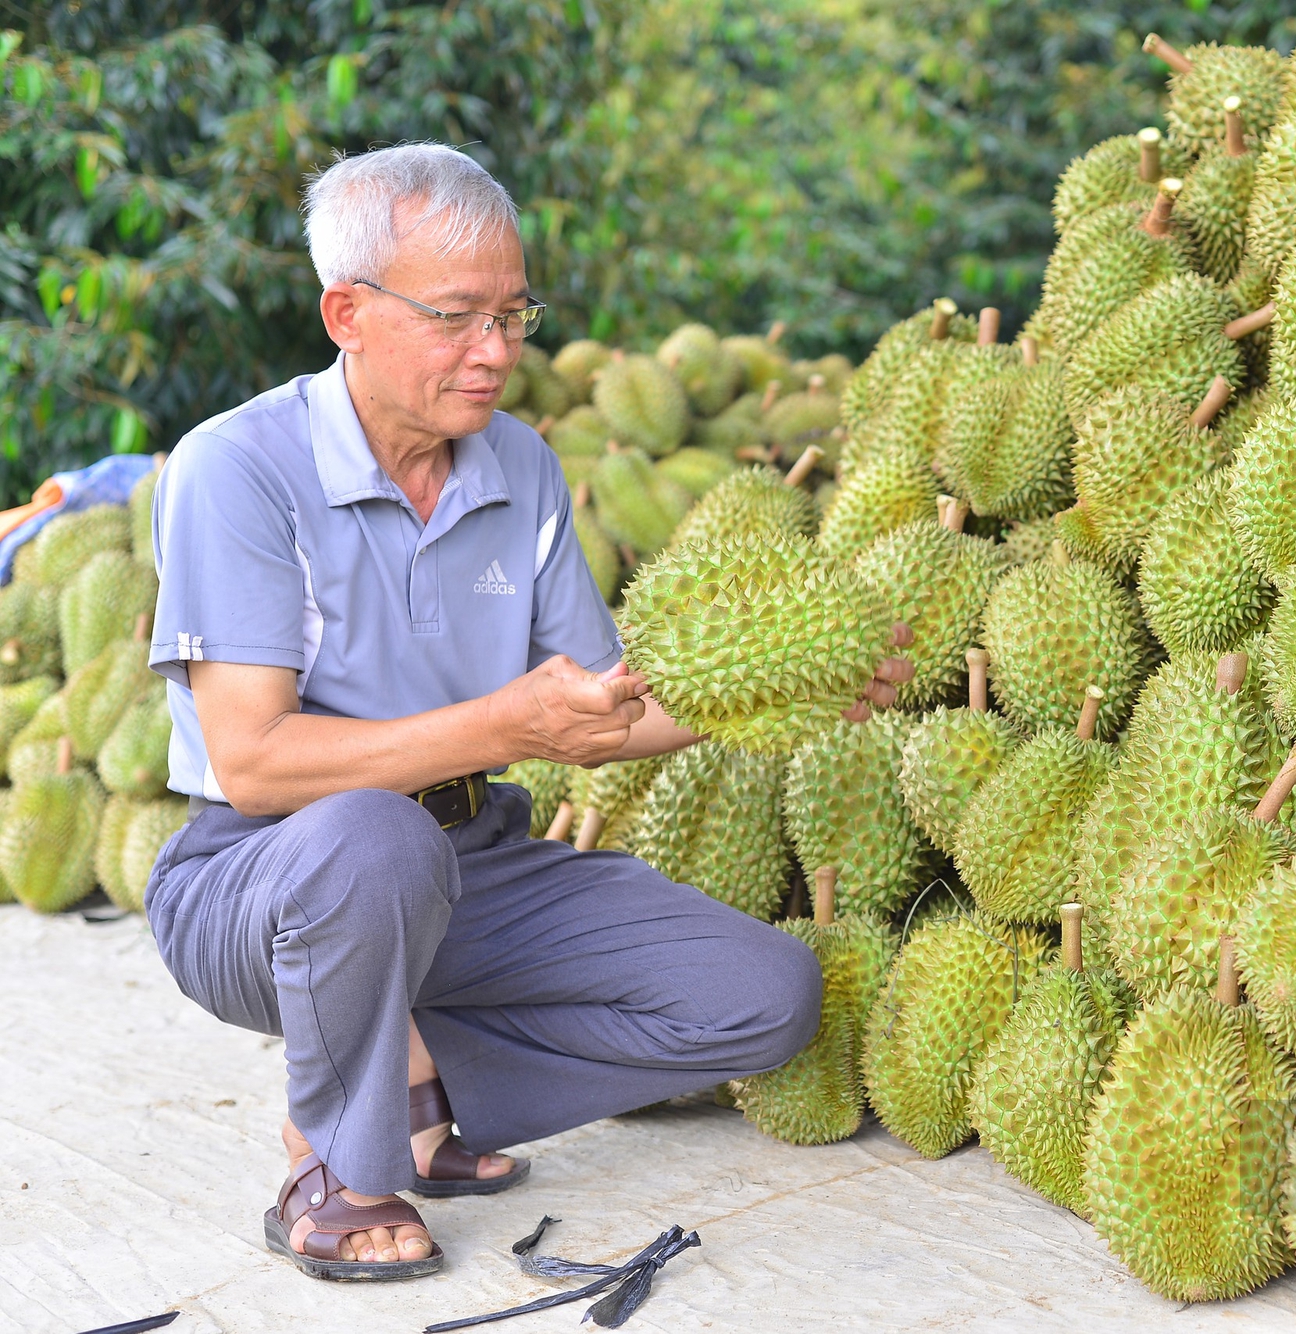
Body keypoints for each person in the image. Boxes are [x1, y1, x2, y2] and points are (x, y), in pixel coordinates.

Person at [141, 143, 909, 1280]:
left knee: (764, 995)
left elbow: (599, 710)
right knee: (374, 833)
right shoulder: (238, 469)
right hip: (263, 880)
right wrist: (504, 727)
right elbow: (252, 761)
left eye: (514, 314)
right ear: (345, 310)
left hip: (473, 860)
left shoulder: (520, 468)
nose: (496, 351)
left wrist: (785, 687)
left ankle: (416, 1083)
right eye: (458, 317)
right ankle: (336, 1170)